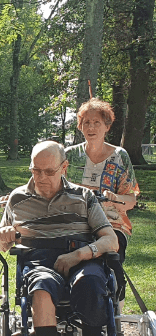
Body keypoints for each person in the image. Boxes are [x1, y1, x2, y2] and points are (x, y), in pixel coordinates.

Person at [0, 141, 118, 336]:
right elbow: (1, 242)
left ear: (64, 167)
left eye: (48, 172)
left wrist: (80, 254)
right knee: (40, 288)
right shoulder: (18, 198)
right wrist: (5, 236)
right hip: (39, 261)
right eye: (35, 170)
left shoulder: (84, 197)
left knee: (93, 283)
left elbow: (110, 239)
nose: (40, 178)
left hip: (81, 258)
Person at [65, 98, 139, 267]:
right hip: (75, 222)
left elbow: (131, 200)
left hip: (110, 223)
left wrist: (114, 198)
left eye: (96, 122)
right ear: (80, 126)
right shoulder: (68, 156)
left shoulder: (120, 156)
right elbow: (51, 186)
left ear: (107, 126)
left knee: (108, 258)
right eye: (86, 122)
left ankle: (115, 287)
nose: (91, 127)